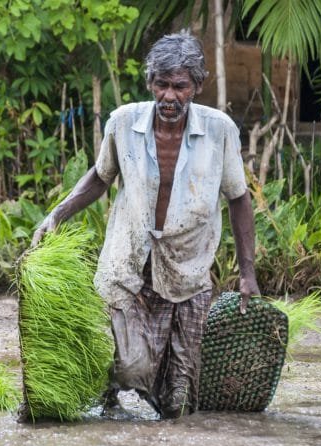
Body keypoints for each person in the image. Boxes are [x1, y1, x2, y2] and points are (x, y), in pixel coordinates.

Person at [30, 31, 260, 419]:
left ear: (197, 87)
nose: (170, 96)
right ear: (151, 83)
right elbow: (100, 176)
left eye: (180, 86)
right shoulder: (124, 123)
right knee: (130, 367)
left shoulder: (219, 130)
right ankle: (112, 403)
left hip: (189, 271)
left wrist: (247, 273)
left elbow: (239, 197)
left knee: (181, 399)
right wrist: (56, 214)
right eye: (162, 85)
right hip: (131, 265)